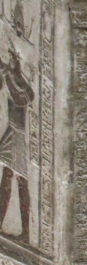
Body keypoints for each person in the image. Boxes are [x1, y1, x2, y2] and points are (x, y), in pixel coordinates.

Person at [0, 46, 31, 243]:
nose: (10, 63)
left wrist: (7, 74)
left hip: (17, 134)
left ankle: (26, 232)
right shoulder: (10, 79)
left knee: (19, 181)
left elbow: (20, 98)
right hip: (12, 131)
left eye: (13, 60)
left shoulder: (23, 86)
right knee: (9, 177)